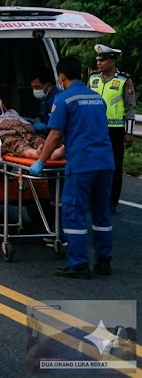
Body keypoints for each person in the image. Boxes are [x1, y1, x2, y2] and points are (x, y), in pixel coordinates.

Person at [31, 56, 115, 278]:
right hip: (105, 163)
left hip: (82, 164)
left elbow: (54, 136)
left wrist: (40, 162)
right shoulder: (97, 98)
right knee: (101, 214)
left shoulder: (64, 99)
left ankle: (78, 264)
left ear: (61, 77)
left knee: (73, 213)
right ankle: (104, 262)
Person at [88, 44, 135, 213]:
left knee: (113, 166)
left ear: (113, 61)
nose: (99, 63)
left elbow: (130, 107)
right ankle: (93, 199)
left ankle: (111, 202)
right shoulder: (93, 78)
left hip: (115, 130)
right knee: (93, 164)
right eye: (98, 60)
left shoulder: (124, 79)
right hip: (94, 128)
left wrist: (129, 132)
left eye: (103, 59)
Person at [0, 83, 64, 160]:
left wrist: (20, 123)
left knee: (37, 139)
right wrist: (0, 126)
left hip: (23, 136)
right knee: (12, 141)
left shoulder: (11, 112)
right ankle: (35, 154)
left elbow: (31, 128)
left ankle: (54, 152)